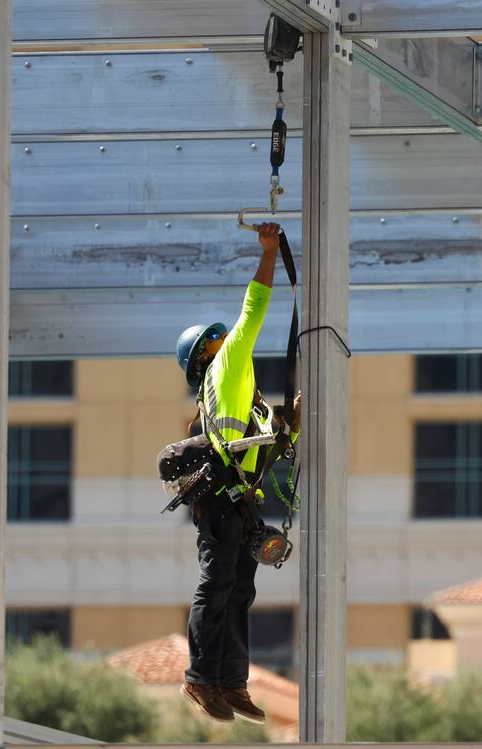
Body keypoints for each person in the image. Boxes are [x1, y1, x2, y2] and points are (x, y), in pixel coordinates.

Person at [173, 222, 301, 724]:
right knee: (218, 585)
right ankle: (201, 679)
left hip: (239, 502)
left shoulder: (243, 398)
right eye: (217, 339)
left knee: (239, 590)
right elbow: (254, 309)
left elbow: (263, 451)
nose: (227, 338)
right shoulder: (226, 367)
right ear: (208, 353)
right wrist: (269, 253)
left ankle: (231, 681)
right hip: (225, 502)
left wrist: (288, 424)